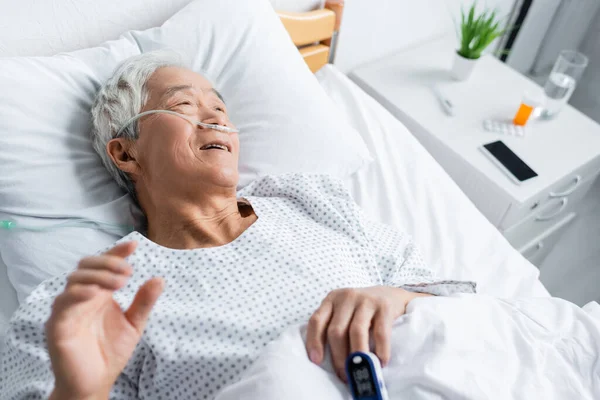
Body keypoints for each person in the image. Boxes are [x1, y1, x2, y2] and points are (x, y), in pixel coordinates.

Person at [0, 51, 475, 400]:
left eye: (221, 108)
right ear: (127, 152)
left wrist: (395, 297)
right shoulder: (86, 305)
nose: (216, 119)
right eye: (184, 105)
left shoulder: (308, 199)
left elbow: (454, 300)